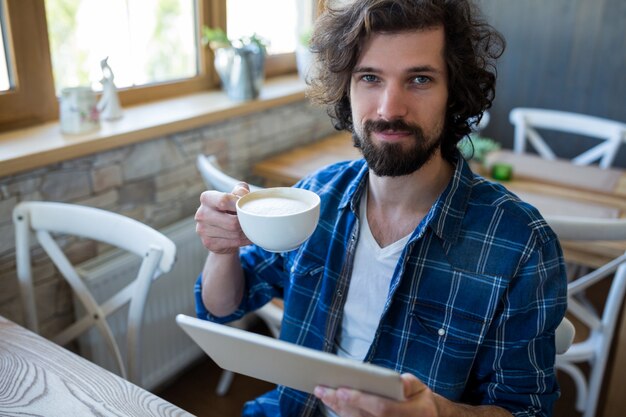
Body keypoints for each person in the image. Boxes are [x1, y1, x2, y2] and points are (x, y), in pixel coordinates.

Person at [194, 1, 567, 416]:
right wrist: (221, 248)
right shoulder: (316, 197)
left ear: (453, 93)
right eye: (370, 77)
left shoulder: (519, 242)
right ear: (346, 89)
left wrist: (438, 413)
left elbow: (526, 409)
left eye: (420, 79)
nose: (390, 109)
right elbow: (222, 305)